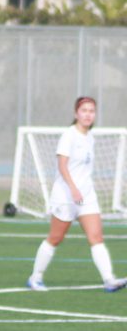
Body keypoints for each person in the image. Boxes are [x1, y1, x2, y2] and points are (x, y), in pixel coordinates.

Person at [27, 96, 127, 293]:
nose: (88, 114)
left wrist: (82, 190)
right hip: (65, 196)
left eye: (91, 111)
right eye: (84, 110)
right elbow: (62, 165)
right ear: (76, 114)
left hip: (86, 196)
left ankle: (109, 279)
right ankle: (35, 277)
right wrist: (73, 188)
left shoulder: (90, 136)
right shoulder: (69, 135)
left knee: (96, 237)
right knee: (55, 237)